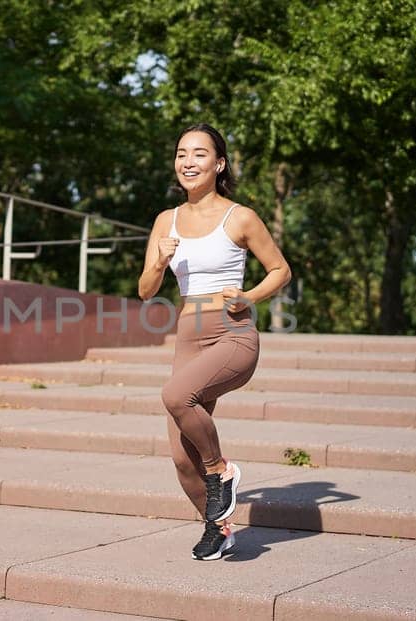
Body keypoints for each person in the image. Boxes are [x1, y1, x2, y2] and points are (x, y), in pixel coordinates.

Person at [138, 123, 292, 560]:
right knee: (181, 459)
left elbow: (281, 270)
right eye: (182, 153)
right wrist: (161, 260)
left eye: (200, 154)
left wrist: (250, 296)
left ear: (219, 163)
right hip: (188, 336)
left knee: (175, 395)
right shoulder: (165, 222)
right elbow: (146, 290)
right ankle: (219, 528)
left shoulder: (239, 216)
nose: (189, 161)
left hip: (232, 331)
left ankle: (221, 470)